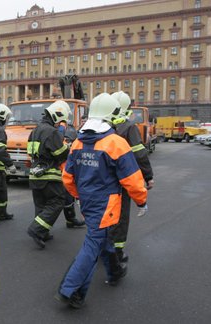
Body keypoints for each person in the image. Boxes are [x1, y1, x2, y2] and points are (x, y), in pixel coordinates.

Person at [56, 93, 148, 309]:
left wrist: (79, 196)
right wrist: (141, 201)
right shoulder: (116, 143)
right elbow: (132, 180)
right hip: (107, 205)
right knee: (93, 243)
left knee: (104, 240)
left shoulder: (78, 143)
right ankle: (69, 289)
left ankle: (115, 271)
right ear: (111, 115)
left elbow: (68, 178)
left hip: (88, 203)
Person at [110, 91, 155, 263]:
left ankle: (102, 248)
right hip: (122, 182)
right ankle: (117, 252)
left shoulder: (103, 126)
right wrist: (148, 176)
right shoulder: (129, 128)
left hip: (103, 182)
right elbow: (140, 155)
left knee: (105, 216)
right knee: (121, 217)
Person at [26, 100, 71, 248]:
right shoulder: (51, 132)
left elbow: (30, 153)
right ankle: (36, 229)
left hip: (34, 174)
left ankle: (42, 232)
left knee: (41, 205)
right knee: (57, 202)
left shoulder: (35, 130)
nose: (60, 124)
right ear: (58, 116)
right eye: (61, 121)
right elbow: (61, 154)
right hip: (49, 175)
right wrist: (67, 147)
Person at [58, 110, 86, 229]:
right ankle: (71, 219)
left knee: (70, 196)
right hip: (64, 170)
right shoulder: (64, 130)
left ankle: (71, 220)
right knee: (67, 197)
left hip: (69, 169)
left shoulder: (71, 130)